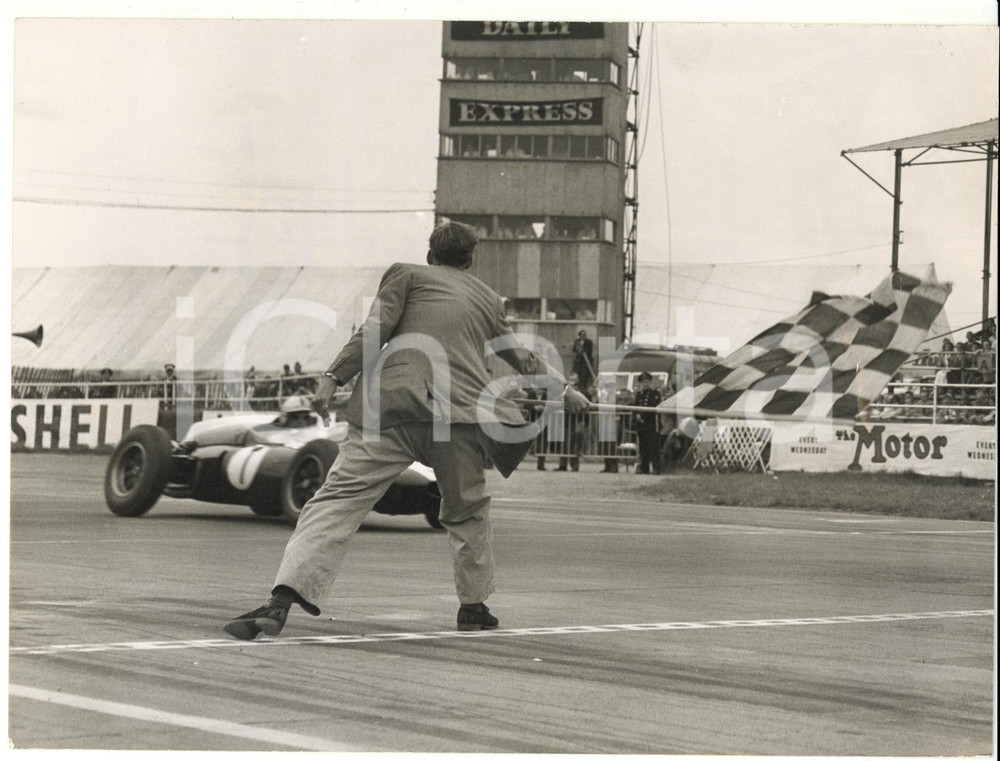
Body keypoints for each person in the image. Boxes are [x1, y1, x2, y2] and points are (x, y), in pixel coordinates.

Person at [224, 221, 590, 640]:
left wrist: (332, 378)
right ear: (470, 261)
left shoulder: (407, 274)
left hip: (393, 408)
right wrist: (565, 391)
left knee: (337, 502)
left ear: (431, 254)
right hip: (462, 416)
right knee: (467, 511)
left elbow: (374, 331)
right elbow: (522, 360)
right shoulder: (487, 298)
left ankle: (280, 602)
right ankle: (473, 607)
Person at [633, 372, 662, 474]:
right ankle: (644, 468)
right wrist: (637, 415)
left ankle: (656, 468)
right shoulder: (639, 394)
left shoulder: (654, 394)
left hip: (651, 424)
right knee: (643, 448)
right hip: (641, 426)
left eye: (647, 382)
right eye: (643, 382)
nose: (645, 384)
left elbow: (653, 407)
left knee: (653, 447)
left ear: (650, 382)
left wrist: (643, 417)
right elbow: (635, 406)